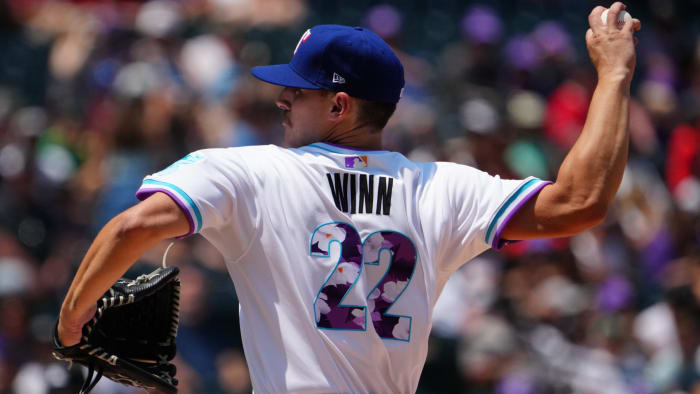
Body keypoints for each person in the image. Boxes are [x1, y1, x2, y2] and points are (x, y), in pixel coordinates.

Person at [57, 4, 641, 393]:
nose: (282, 98)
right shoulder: (442, 187)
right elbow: (582, 201)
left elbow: (132, 228)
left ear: (340, 107)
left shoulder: (253, 171)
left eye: (300, 90)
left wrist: (72, 322)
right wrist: (614, 77)